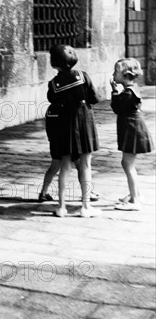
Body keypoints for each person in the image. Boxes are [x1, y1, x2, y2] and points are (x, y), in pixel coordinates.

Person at [44, 45, 100, 217]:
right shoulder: (83, 76)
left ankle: (61, 207)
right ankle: (85, 207)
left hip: (64, 125)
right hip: (84, 122)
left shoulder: (53, 84)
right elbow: (94, 99)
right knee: (86, 166)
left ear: (54, 63)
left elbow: (52, 100)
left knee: (65, 166)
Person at [110, 58, 154, 211]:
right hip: (131, 128)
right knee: (129, 164)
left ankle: (135, 201)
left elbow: (116, 107)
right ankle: (136, 193)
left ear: (124, 75)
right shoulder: (132, 89)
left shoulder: (127, 93)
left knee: (127, 164)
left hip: (132, 130)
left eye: (115, 71)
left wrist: (114, 90)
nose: (113, 74)